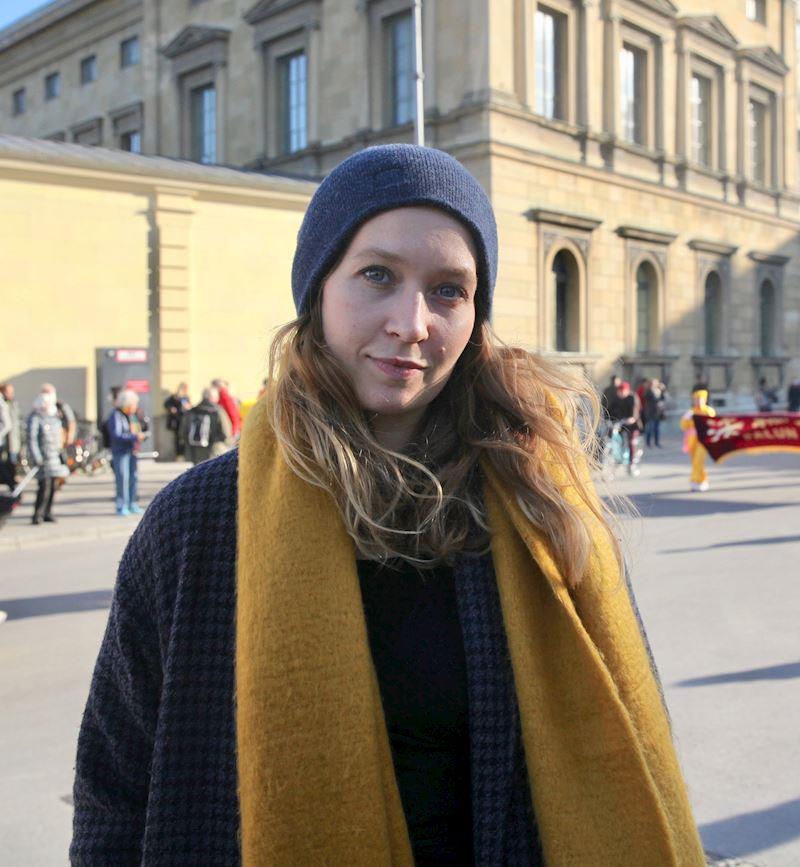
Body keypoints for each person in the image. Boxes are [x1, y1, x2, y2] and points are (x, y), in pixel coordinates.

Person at [71, 145, 704, 865]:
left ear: (476, 315)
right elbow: (114, 791)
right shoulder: (201, 521)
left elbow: (637, 746)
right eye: (377, 275)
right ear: (318, 289)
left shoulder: (542, 503)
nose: (412, 322)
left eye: (448, 290)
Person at [25, 393, 69, 524]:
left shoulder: (54, 417)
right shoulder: (35, 418)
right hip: (44, 459)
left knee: (53, 487)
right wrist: (37, 457)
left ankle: (48, 512)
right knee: (44, 487)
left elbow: (61, 431)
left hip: (54, 458)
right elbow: (32, 439)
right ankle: (37, 514)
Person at [104, 389, 146, 515]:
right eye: (134, 404)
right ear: (127, 404)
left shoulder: (132, 416)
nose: (136, 406)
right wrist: (134, 437)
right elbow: (116, 435)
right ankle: (121, 505)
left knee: (133, 477)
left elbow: (136, 429)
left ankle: (132, 503)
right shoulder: (116, 415)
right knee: (122, 478)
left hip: (132, 450)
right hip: (121, 451)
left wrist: (140, 436)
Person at [183, 387, 233, 464]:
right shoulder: (217, 411)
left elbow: (184, 430)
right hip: (215, 449)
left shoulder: (192, 411)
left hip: (196, 450)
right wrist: (228, 444)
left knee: (199, 470)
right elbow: (226, 430)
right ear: (212, 397)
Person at [681, 386, 716, 492]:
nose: (698, 401)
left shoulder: (709, 411)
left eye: (700, 399)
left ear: (704, 400)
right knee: (695, 462)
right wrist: (686, 418)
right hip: (692, 441)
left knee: (698, 461)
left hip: (703, 440)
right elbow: (683, 426)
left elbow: (713, 425)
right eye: (696, 399)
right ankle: (702, 480)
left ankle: (695, 481)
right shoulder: (691, 412)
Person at [608, 379, 642, 472]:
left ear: (627, 390)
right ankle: (616, 459)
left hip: (632, 424)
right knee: (614, 438)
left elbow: (634, 414)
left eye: (623, 391)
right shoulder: (616, 398)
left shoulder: (632, 398)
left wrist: (629, 419)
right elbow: (609, 410)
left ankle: (631, 463)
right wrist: (607, 419)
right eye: (620, 391)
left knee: (631, 442)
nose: (622, 393)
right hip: (620, 424)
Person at [163, 382, 192, 460]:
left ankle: (184, 454)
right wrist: (171, 408)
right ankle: (179, 455)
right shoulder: (174, 397)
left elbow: (190, 406)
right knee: (178, 438)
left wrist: (188, 407)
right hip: (177, 421)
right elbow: (166, 404)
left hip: (185, 420)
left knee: (184, 438)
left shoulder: (186, 397)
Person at [0, 382, 19, 489]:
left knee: (6, 466)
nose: (11, 394)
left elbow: (7, 425)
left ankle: (13, 486)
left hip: (7, 441)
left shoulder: (3, 403)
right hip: (5, 441)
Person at [642, 378, 667, 448]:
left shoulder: (659, 391)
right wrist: (652, 391)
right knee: (650, 428)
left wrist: (662, 390)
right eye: (653, 383)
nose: (654, 384)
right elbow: (646, 397)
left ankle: (657, 442)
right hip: (650, 412)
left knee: (657, 428)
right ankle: (648, 443)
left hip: (658, 412)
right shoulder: (648, 391)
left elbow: (663, 399)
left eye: (655, 383)